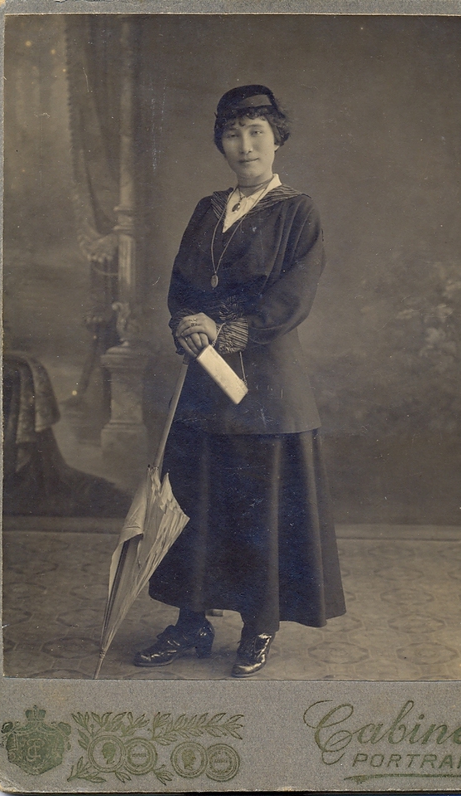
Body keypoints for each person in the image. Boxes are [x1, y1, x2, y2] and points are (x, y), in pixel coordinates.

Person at [134, 85, 346, 677]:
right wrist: (186, 323)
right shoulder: (208, 208)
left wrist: (225, 329)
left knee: (259, 510)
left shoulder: (297, 211)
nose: (245, 145)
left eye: (257, 132)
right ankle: (190, 625)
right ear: (221, 143)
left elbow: (293, 296)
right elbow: (181, 285)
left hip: (266, 387)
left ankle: (259, 627)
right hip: (204, 381)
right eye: (233, 133)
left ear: (277, 139)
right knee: (194, 500)